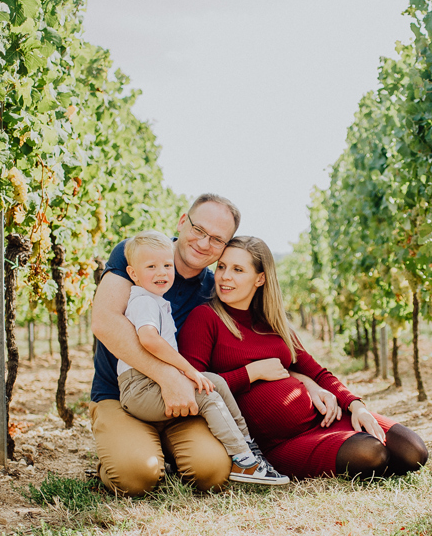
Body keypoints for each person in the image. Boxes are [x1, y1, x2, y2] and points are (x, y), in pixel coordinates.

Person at [90, 194, 340, 495]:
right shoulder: (139, 253)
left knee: (212, 472)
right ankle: (127, 452)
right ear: (183, 222)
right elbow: (105, 322)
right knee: (135, 476)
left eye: (217, 239)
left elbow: (254, 346)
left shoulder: (215, 288)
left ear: (226, 246)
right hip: (122, 394)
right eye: (198, 230)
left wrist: (302, 379)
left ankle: (199, 453)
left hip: (184, 398)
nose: (204, 243)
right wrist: (169, 377)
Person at [178, 236, 429, 479]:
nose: (224, 276)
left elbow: (318, 372)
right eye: (221, 267)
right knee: (371, 454)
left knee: (413, 451)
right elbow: (196, 388)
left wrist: (357, 407)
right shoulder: (205, 318)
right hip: (281, 442)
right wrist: (251, 373)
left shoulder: (273, 323)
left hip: (324, 419)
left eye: (238, 269)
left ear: (260, 278)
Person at [115, 230, 288, 486]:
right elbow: (149, 339)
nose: (161, 272)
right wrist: (189, 371)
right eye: (151, 266)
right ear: (133, 274)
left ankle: (249, 450)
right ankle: (243, 459)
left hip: (151, 383)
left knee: (215, 382)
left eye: (166, 265)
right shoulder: (143, 302)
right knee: (206, 394)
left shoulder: (157, 301)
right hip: (139, 388)